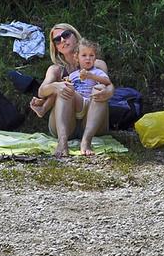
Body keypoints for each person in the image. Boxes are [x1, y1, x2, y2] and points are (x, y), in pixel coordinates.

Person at [29, 24, 114, 157]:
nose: (62, 40)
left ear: (75, 36)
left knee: (100, 88)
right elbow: (41, 91)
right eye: (57, 40)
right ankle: (62, 142)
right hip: (66, 124)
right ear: (56, 47)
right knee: (64, 87)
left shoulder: (97, 64)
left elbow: (108, 85)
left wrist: (106, 92)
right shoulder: (56, 69)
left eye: (66, 35)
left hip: (94, 120)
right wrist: (56, 86)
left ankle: (86, 141)